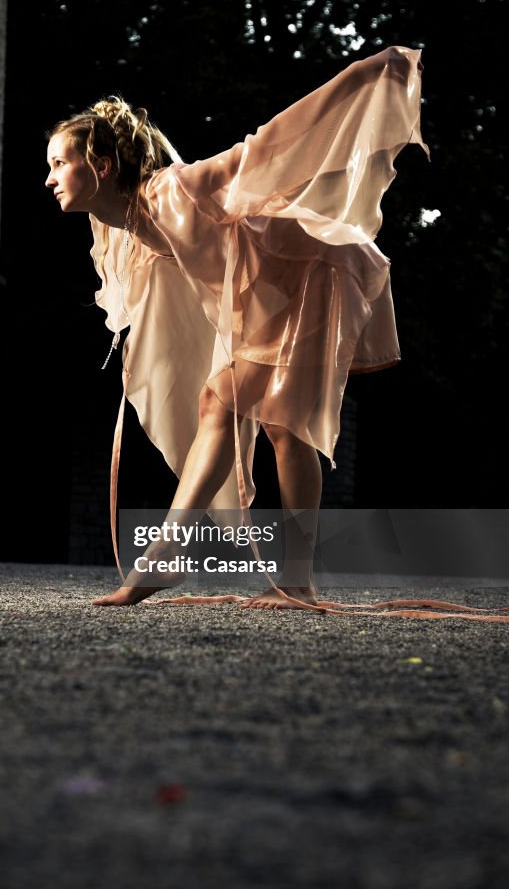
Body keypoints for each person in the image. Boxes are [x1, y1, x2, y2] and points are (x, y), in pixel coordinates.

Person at [45, 45, 429, 609]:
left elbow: (264, 149)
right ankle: (167, 561)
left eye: (59, 163)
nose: (50, 177)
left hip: (313, 273)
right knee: (217, 404)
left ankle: (288, 581)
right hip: (273, 294)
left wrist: (361, 79)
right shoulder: (123, 225)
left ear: (100, 166)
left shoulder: (174, 191)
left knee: (284, 424)